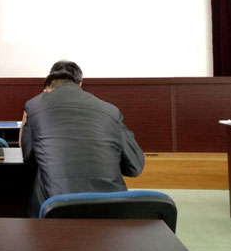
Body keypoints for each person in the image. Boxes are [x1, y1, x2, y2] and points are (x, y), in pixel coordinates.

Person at [21, 60, 145, 217]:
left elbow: (27, 158)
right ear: (80, 83)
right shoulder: (110, 110)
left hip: (57, 211)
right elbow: (135, 167)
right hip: (111, 212)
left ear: (49, 84)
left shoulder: (34, 106)